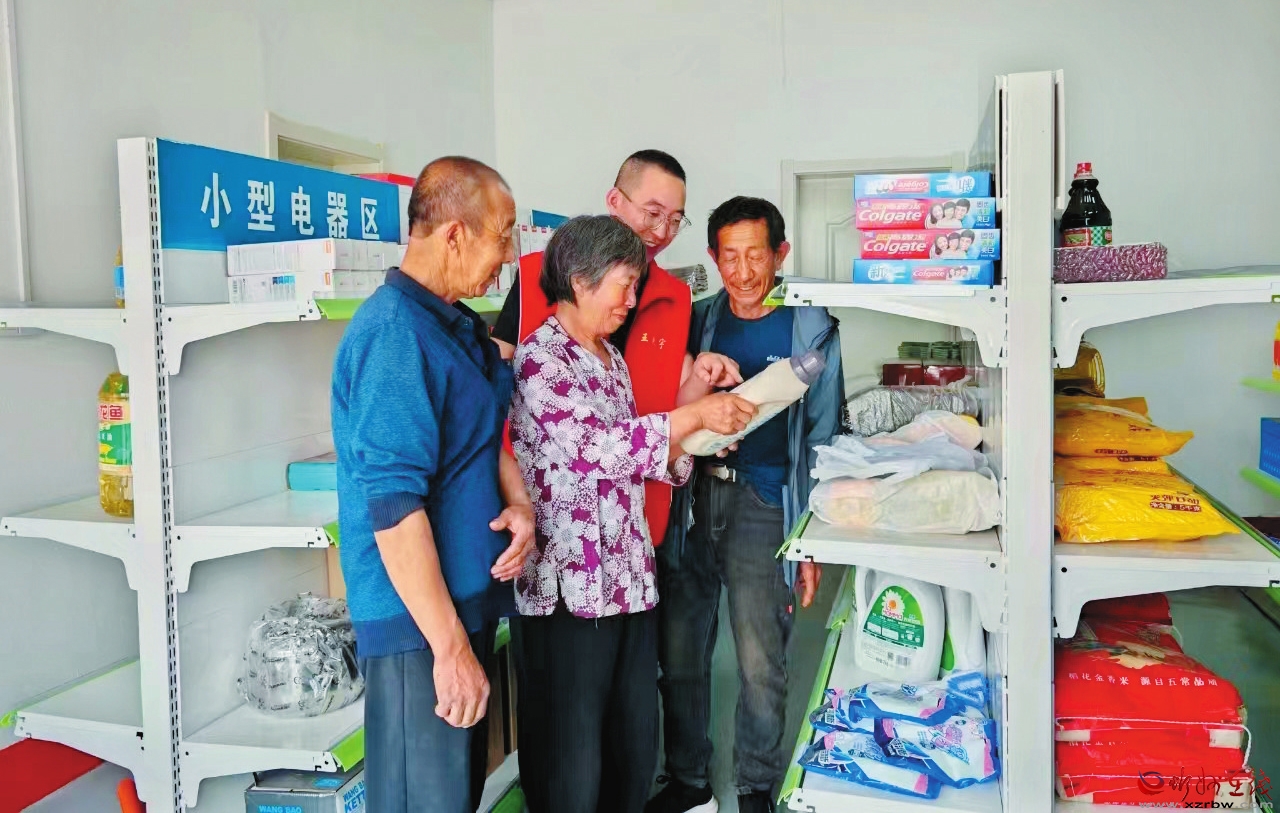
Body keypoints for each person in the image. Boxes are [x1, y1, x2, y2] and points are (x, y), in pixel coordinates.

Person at [508, 215, 756, 813]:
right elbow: (597, 448)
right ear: (579, 281)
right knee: (573, 753)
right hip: (571, 590)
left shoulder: (609, 359)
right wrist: (692, 418)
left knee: (630, 740)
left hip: (625, 579)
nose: (631, 301)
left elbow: (638, 457)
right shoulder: (542, 360)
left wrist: (698, 439)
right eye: (623, 285)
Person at [331, 156, 537, 813]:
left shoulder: (456, 323)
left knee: (455, 796)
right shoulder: (393, 334)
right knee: (424, 800)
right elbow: (394, 508)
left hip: (461, 605)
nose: (508, 257)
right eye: (501, 236)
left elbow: (483, 432)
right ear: (454, 235)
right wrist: (448, 650)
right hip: (418, 628)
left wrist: (520, 503)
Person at [649, 197, 844, 813]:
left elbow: (823, 436)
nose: (742, 271)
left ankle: (756, 788)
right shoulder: (699, 319)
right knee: (681, 652)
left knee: (761, 659)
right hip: (694, 498)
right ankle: (688, 781)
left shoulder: (810, 327)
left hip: (766, 502)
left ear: (780, 253)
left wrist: (811, 539)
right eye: (729, 257)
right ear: (713, 257)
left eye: (755, 255)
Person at [491, 150, 697, 551]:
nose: (662, 231)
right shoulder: (535, 274)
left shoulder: (677, 299)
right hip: (549, 516)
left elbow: (676, 389)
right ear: (614, 200)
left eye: (675, 220)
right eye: (653, 213)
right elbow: (494, 389)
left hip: (639, 513)